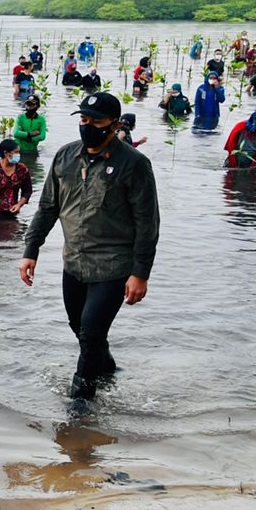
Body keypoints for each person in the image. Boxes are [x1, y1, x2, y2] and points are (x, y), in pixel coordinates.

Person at [20, 91, 160, 400]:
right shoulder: (65, 157)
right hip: (74, 262)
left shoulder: (134, 164)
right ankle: (108, 368)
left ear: (114, 125)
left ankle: (79, 410)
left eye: (96, 121)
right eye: (84, 120)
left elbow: (147, 223)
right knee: (80, 328)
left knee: (91, 331)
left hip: (113, 266)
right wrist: (31, 250)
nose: (88, 126)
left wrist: (141, 273)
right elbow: (47, 208)